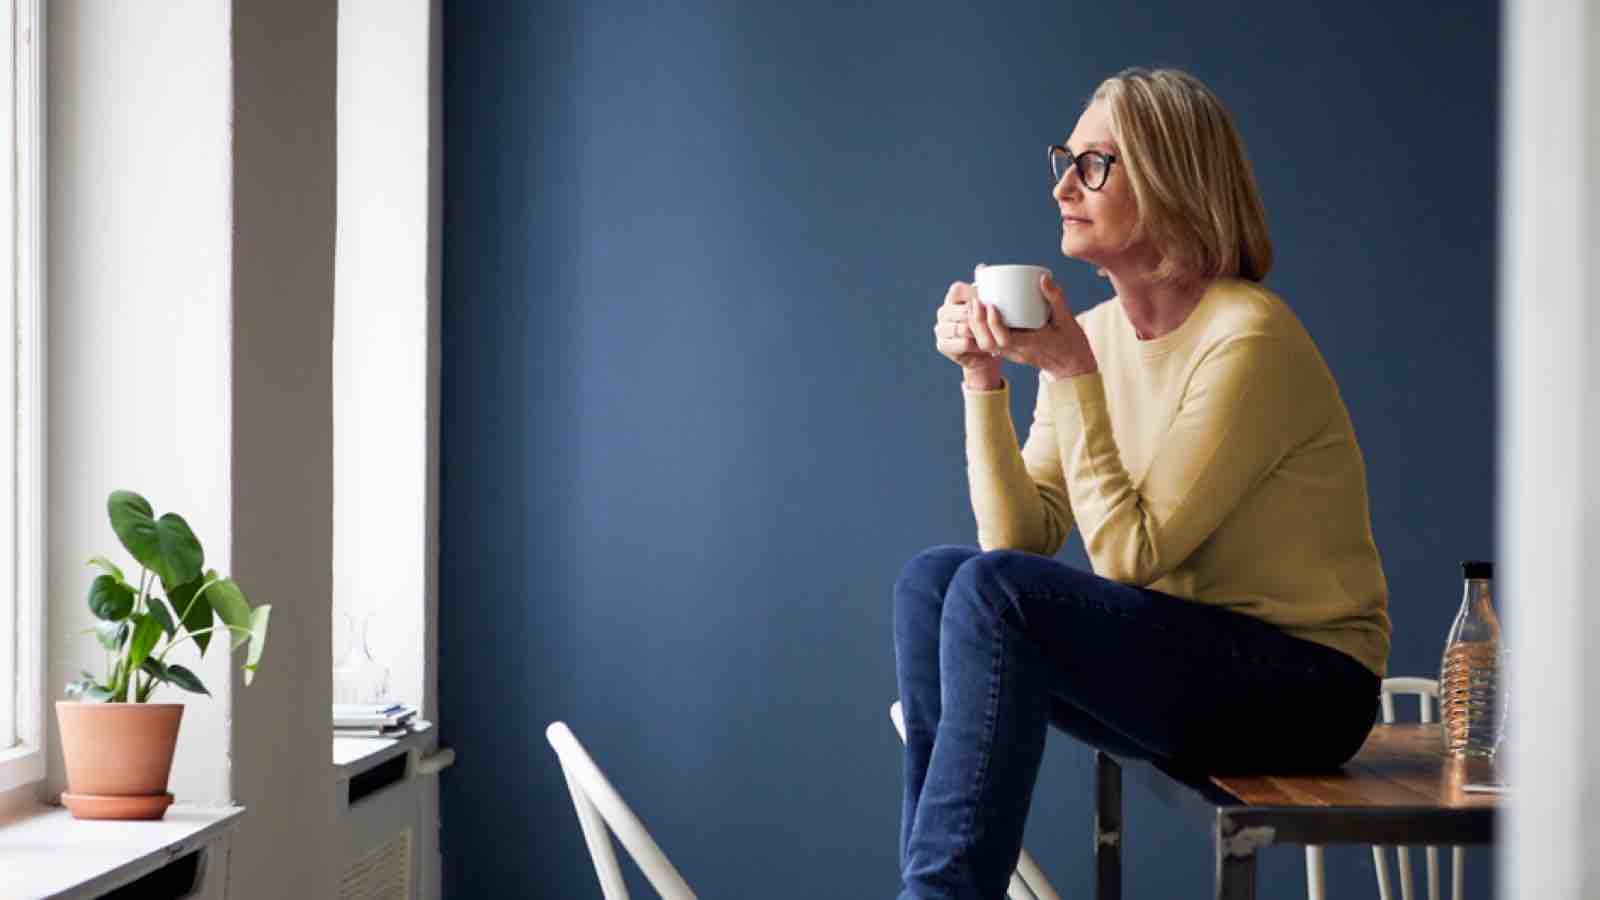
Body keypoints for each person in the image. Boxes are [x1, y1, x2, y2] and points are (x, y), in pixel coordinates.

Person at [894, 67, 1391, 900]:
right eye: (1065, 159)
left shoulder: (1247, 339)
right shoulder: (1088, 339)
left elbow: (1129, 556)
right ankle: (935, 889)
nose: (1063, 184)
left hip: (1308, 687)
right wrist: (985, 379)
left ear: (1169, 182)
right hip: (1188, 652)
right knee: (935, 583)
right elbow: (1016, 544)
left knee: (990, 593)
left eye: (1094, 164)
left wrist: (1070, 371)